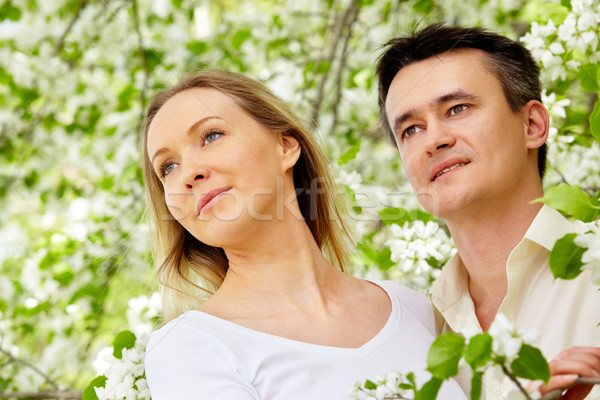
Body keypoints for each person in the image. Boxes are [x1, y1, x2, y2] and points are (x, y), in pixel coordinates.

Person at [141, 70, 466, 399]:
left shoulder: (413, 308)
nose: (189, 173)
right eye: (168, 167)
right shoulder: (191, 349)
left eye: (211, 136)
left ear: (284, 146)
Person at [376, 23, 600, 399]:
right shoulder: (417, 330)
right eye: (410, 130)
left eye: (457, 108)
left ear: (532, 125)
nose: (434, 140)